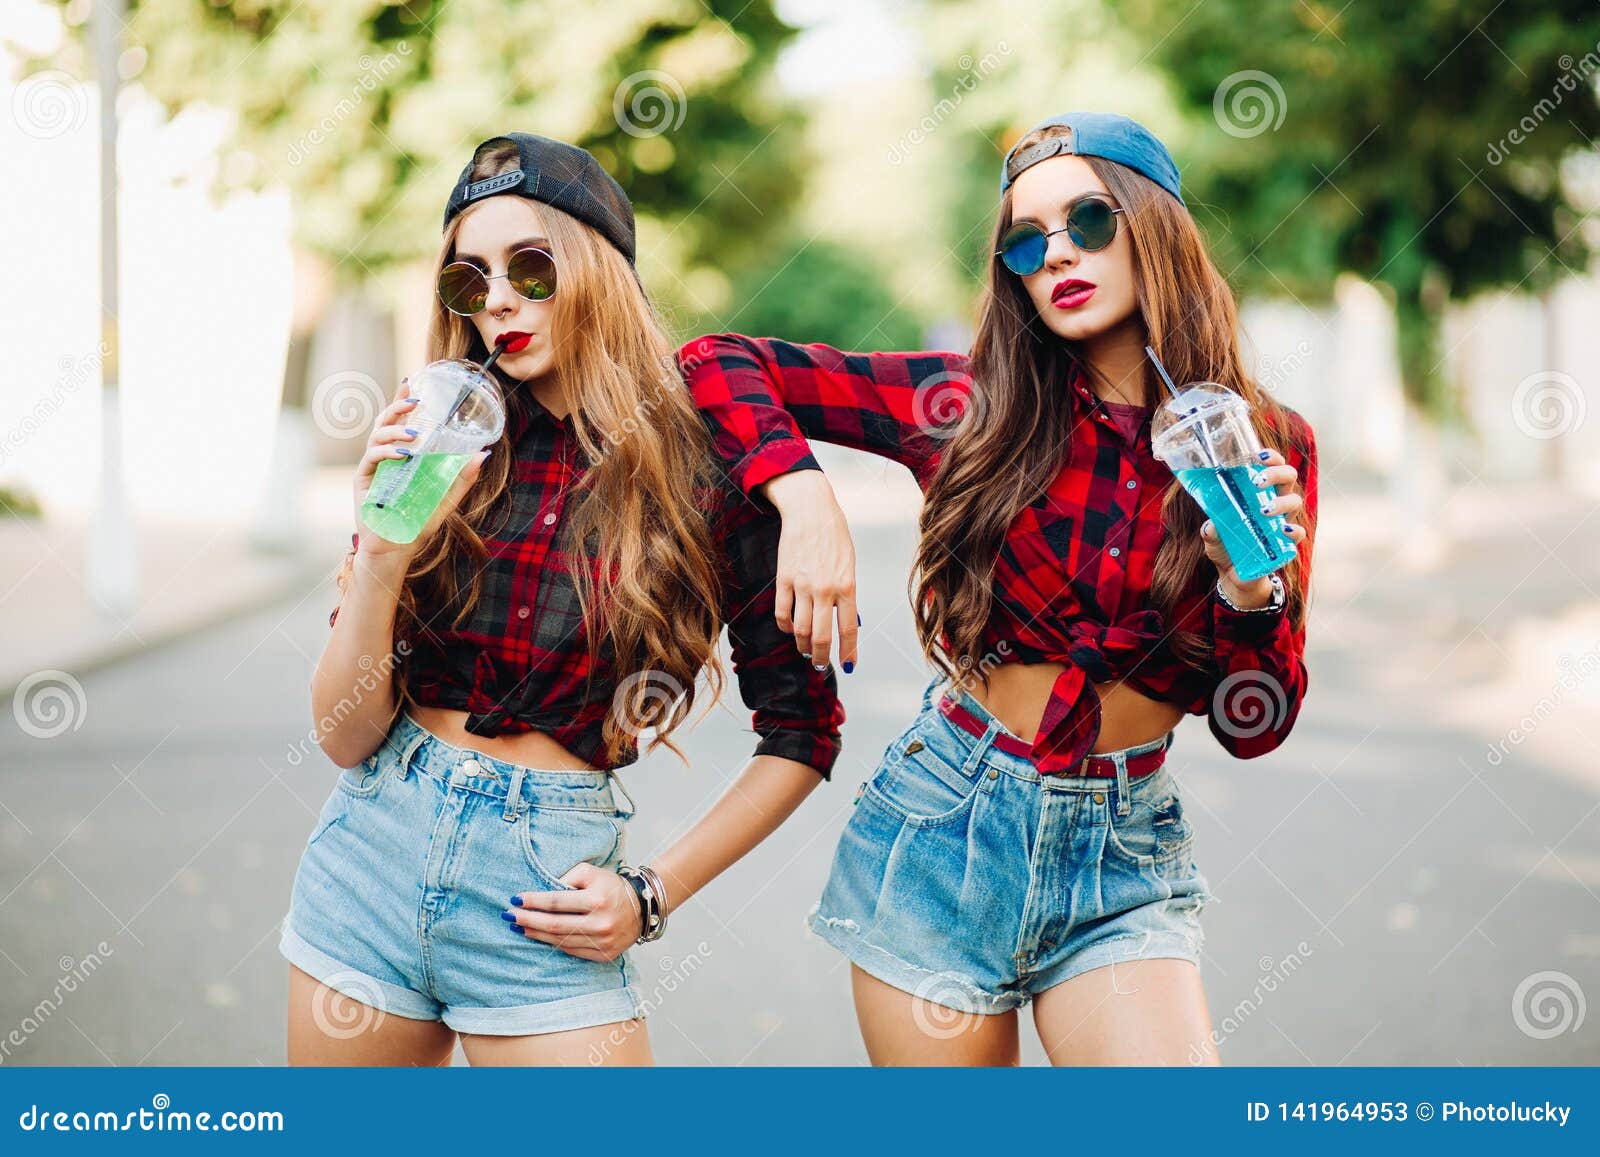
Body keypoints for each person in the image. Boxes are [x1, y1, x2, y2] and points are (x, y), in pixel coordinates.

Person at [678, 112, 1316, 1066]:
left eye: (1089, 222)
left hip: (1122, 853)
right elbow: (715, 360)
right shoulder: (973, 405)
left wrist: (1248, 594)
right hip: (942, 826)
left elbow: (1254, 725)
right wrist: (801, 490)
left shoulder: (1265, 443)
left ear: (1157, 228)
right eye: (1027, 240)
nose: (1056, 252)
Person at [281, 132, 843, 1067]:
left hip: (545, 892)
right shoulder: (444, 440)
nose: (496, 298)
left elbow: (803, 733)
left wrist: (651, 894)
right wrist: (379, 553)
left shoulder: (705, 463)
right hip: (368, 861)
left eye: (528, 266)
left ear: (598, 269)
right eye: (469, 280)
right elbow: (343, 735)